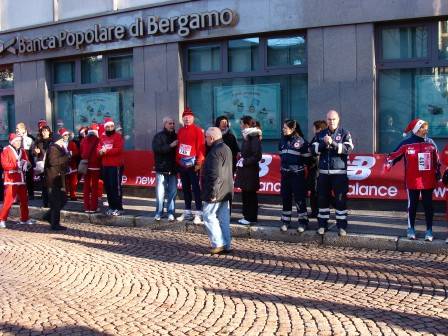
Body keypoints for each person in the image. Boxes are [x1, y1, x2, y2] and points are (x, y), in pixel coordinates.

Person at [386, 119, 440, 241]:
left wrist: (438, 174)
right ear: (417, 130)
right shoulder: (406, 144)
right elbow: (394, 155)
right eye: (423, 128)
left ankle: (429, 230)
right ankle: (411, 229)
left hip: (428, 181)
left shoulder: (431, 143)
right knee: (413, 206)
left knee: (428, 206)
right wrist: (389, 164)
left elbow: (436, 160)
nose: (426, 130)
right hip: (412, 181)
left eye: (426, 127)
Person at [311, 110, 354, 236]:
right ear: (326, 120)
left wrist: (333, 143)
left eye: (334, 119)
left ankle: (341, 226)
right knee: (322, 200)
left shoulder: (345, 133)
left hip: (339, 174)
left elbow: (348, 149)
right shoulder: (321, 134)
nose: (331, 121)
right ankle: (322, 225)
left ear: (338, 120)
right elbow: (312, 149)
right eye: (329, 119)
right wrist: (324, 144)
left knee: (340, 200)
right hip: (324, 173)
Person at [202, 127, 234, 255]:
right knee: (223, 218)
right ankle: (226, 244)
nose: (205, 139)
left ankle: (218, 243)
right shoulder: (226, 148)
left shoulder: (215, 151)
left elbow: (215, 174)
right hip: (226, 190)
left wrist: (213, 193)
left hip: (217, 190)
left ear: (212, 138)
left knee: (208, 215)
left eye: (206, 137)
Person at [279, 120, 310, 233]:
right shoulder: (282, 141)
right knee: (286, 197)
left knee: (299, 199)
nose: (283, 129)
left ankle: (303, 222)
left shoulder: (302, 142)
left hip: (297, 175)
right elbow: (281, 156)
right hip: (285, 174)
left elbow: (308, 159)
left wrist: (298, 167)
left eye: (285, 128)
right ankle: (286, 221)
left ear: (292, 129)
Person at [176, 107, 205, 224]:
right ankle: (187, 211)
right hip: (183, 165)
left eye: (189, 117)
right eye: (185, 117)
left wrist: (199, 162)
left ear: (193, 118)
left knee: (196, 188)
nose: (187, 119)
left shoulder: (198, 131)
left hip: (194, 165)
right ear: (182, 119)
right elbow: (179, 147)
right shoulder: (181, 131)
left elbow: (201, 147)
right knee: (185, 188)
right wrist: (178, 160)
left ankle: (199, 212)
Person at [0, 133, 35, 228]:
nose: (19, 142)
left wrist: (27, 164)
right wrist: (17, 165)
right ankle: (2, 219)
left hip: (21, 179)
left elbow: (26, 161)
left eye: (20, 141)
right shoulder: (6, 150)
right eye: (17, 141)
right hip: (11, 180)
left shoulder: (22, 151)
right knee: (8, 201)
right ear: (13, 142)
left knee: (24, 200)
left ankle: (25, 218)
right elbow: (4, 165)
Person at [235, 115, 262, 225]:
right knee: (245, 193)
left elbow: (257, 156)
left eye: (241, 124)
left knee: (250, 194)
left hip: (250, 171)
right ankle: (246, 216)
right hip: (245, 171)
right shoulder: (247, 136)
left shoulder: (254, 137)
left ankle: (251, 217)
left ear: (246, 125)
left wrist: (244, 161)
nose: (240, 126)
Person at [152, 117, 178, 221]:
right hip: (161, 169)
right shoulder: (158, 136)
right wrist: (171, 146)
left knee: (172, 192)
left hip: (173, 169)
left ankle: (171, 212)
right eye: (170, 123)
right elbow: (157, 149)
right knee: (160, 193)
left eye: (173, 123)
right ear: (165, 124)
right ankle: (159, 212)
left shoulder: (177, 136)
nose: (172, 125)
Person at [98, 117, 124, 216]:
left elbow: (118, 150)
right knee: (108, 187)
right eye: (108, 126)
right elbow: (98, 149)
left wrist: (106, 151)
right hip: (106, 165)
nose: (110, 128)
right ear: (105, 127)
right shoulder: (102, 137)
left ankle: (119, 207)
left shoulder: (117, 137)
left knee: (116, 187)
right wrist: (100, 151)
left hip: (116, 165)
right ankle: (111, 206)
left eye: (112, 126)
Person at [44, 132, 70, 230]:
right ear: (57, 141)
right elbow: (53, 162)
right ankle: (55, 224)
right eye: (61, 140)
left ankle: (49, 216)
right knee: (56, 202)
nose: (62, 141)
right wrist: (66, 157)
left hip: (58, 179)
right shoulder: (53, 148)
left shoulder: (58, 148)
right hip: (53, 179)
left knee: (63, 199)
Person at [307, 120, 328, 218]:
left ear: (318, 128)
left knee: (314, 191)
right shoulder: (320, 137)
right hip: (317, 168)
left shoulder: (318, 138)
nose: (312, 129)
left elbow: (312, 152)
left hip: (316, 168)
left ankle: (316, 211)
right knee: (317, 191)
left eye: (314, 127)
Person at [80, 123, 102, 213]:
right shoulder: (98, 140)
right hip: (95, 166)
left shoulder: (84, 140)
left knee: (86, 187)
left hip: (86, 165)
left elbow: (82, 152)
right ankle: (93, 207)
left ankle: (86, 207)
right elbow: (99, 153)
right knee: (94, 188)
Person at [33, 125, 53, 207]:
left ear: (49, 132)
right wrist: (35, 152)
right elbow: (34, 152)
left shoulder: (52, 141)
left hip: (51, 164)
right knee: (44, 184)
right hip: (42, 165)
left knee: (51, 183)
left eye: (46, 130)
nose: (44, 132)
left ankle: (51, 201)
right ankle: (45, 202)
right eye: (43, 131)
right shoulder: (39, 141)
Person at [59, 128, 79, 200]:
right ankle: (65, 194)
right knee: (65, 181)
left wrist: (71, 153)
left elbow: (77, 152)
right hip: (63, 165)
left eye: (67, 135)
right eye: (65, 135)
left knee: (73, 181)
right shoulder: (59, 144)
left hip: (72, 164)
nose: (67, 136)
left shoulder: (72, 143)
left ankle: (73, 194)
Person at [16, 122, 35, 199]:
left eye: (18, 128)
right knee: (20, 178)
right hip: (19, 161)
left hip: (28, 161)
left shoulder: (29, 139)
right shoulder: (15, 139)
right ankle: (20, 194)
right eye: (16, 129)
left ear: (23, 130)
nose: (16, 130)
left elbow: (33, 151)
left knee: (29, 178)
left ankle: (31, 194)